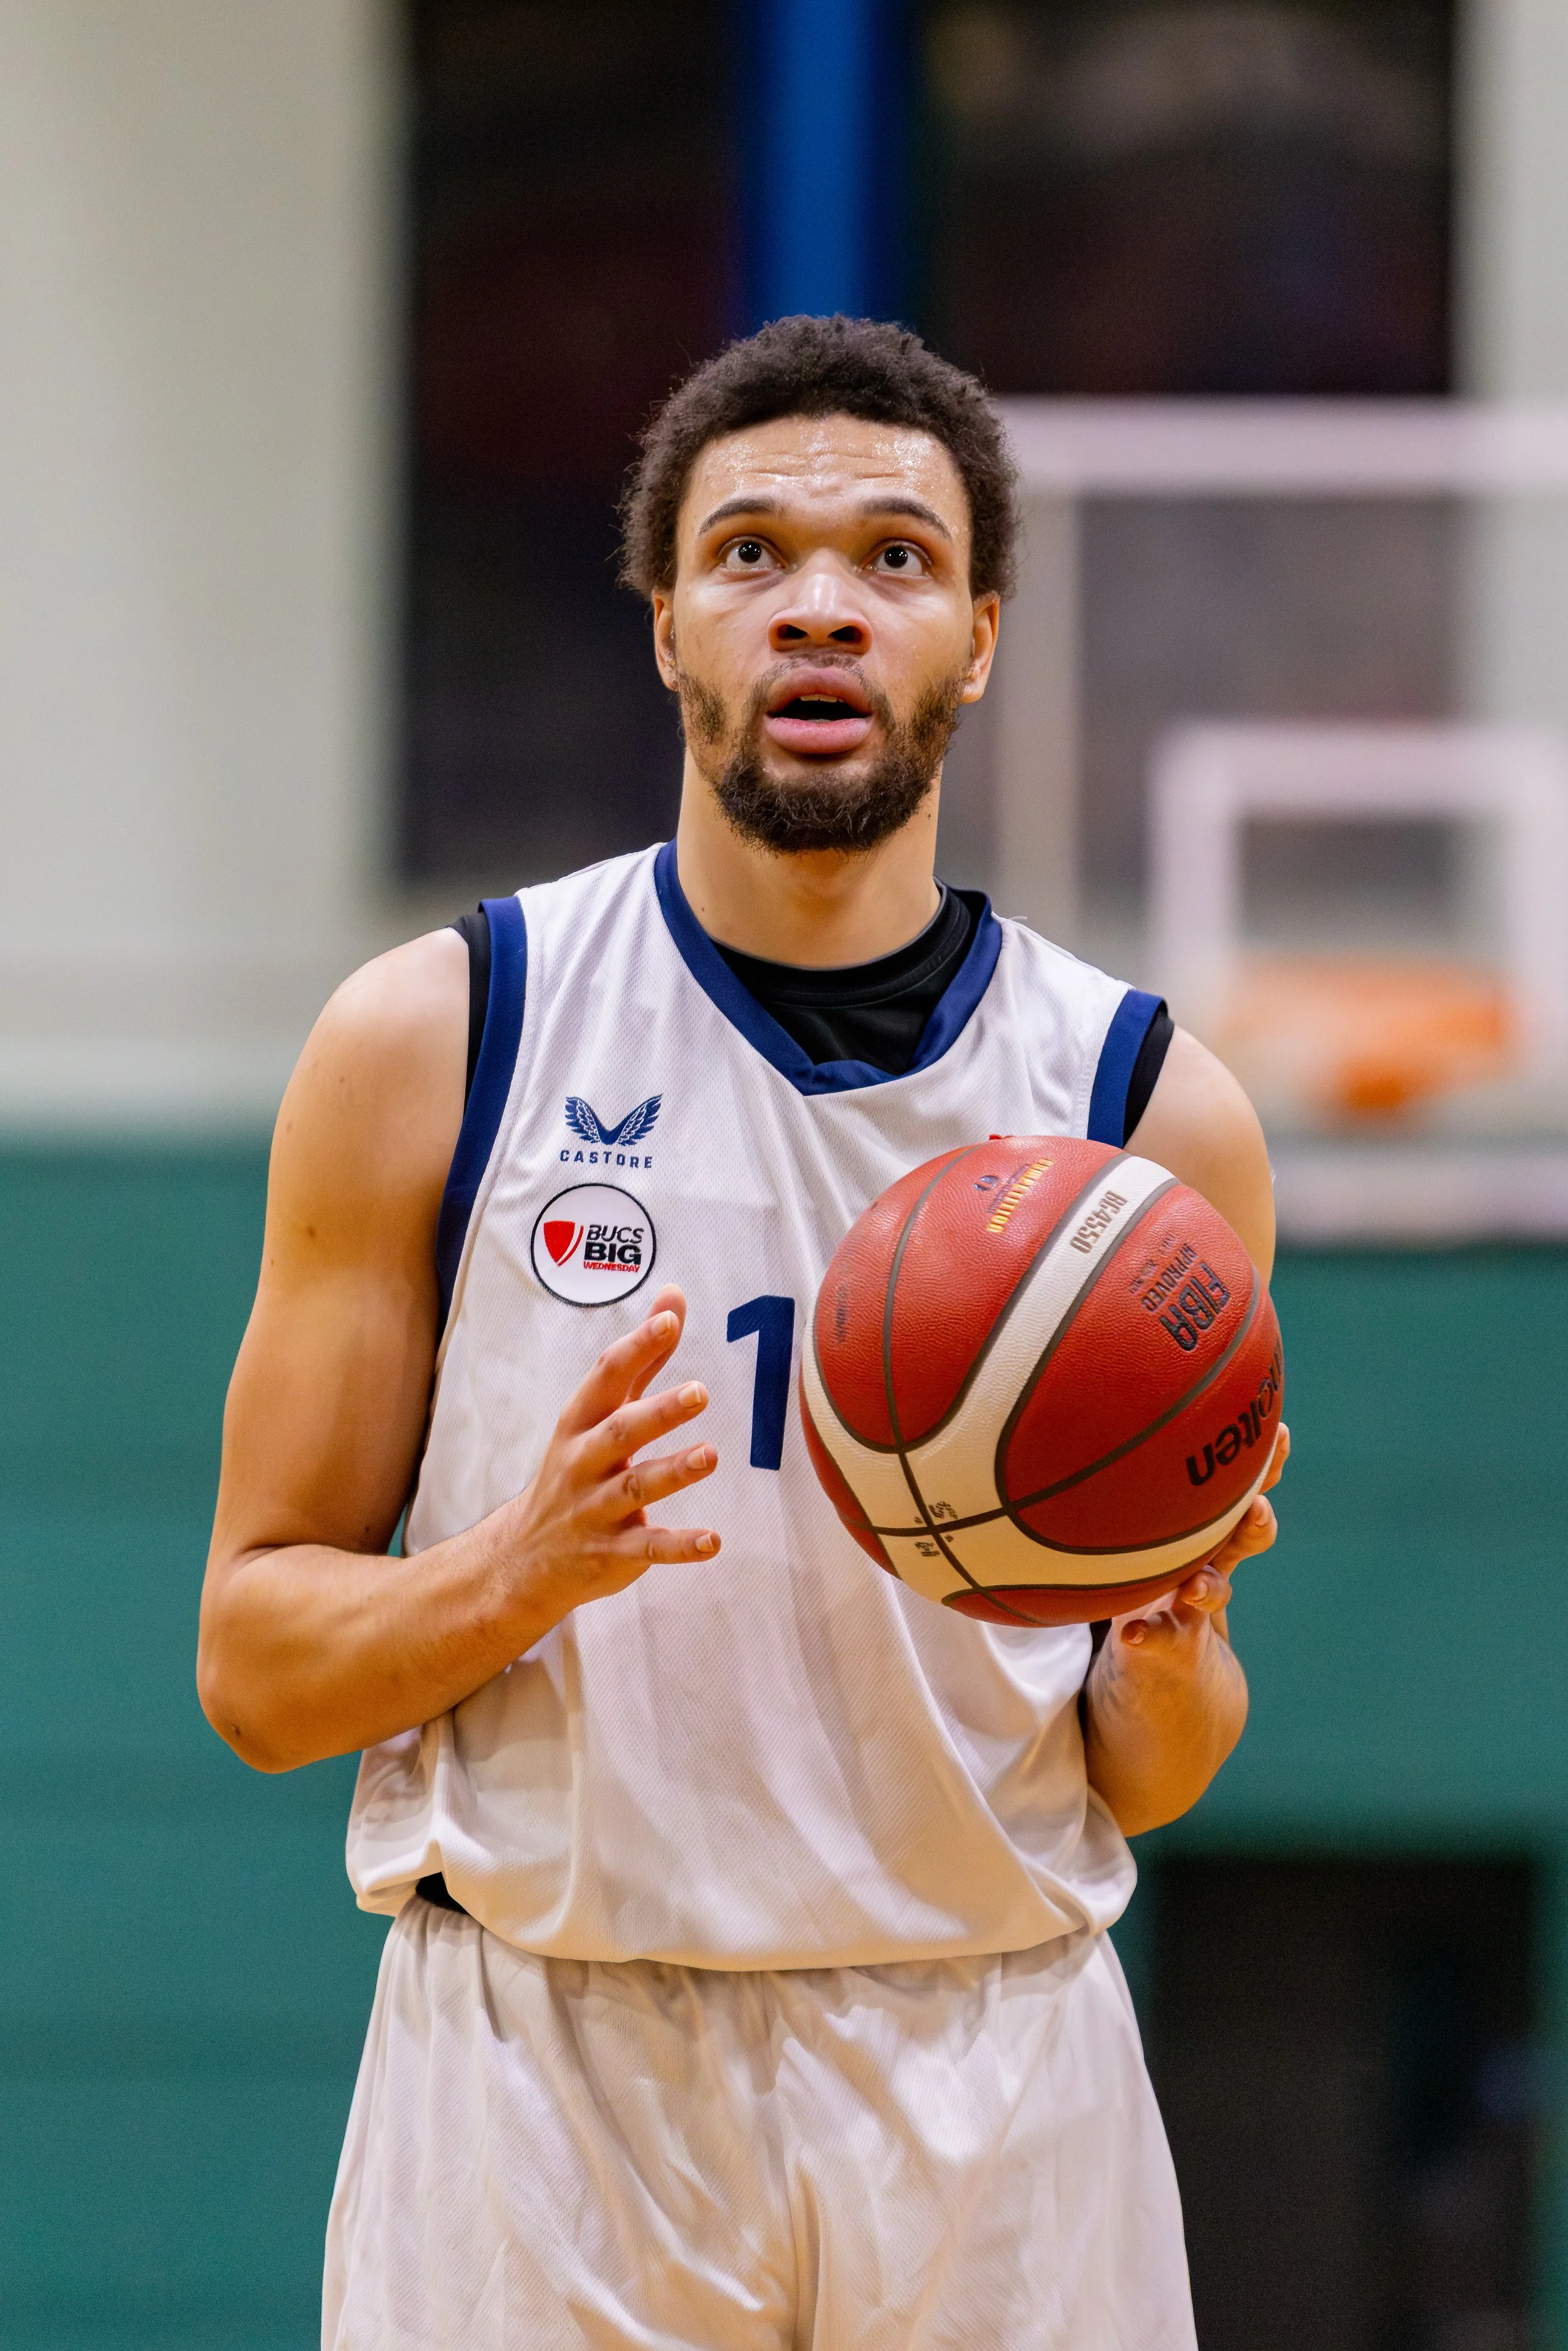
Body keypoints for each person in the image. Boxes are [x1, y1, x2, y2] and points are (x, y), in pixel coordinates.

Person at [199, 315, 1288, 2350]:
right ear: (665, 628)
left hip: (996, 2063)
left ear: (974, 633)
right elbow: (255, 1667)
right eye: (749, 554)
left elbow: (1152, 1772)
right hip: (545, 2068)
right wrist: (514, 1572)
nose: (817, 607)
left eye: (889, 559)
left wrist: (1165, 1643)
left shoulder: (1147, 1117)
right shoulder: (441, 1040)